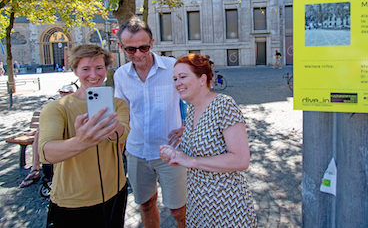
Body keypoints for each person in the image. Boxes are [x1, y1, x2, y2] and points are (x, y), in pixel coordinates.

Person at [160, 53, 257, 227]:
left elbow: (241, 159)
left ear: (202, 79)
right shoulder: (191, 111)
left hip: (226, 206)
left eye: (182, 77)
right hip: (199, 206)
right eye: (175, 78)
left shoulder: (223, 105)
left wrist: (190, 160)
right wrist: (174, 154)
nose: (177, 83)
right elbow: (196, 154)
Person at [38, 44, 130, 227]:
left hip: (114, 192)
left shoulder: (118, 104)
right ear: (75, 71)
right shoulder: (57, 108)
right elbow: (46, 153)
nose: (94, 75)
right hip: (72, 201)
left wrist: (111, 128)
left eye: (99, 68)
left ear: (106, 69)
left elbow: (122, 137)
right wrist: (81, 141)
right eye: (86, 69)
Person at [113, 17, 187, 228]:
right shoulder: (120, 76)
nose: (138, 54)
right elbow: (122, 113)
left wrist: (187, 126)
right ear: (121, 47)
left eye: (143, 47)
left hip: (171, 151)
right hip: (137, 152)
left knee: (179, 210)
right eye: (130, 49)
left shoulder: (173, 67)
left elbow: (197, 97)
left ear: (152, 44)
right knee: (146, 205)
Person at [19, 84, 75, 188]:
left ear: (72, 93)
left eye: (66, 92)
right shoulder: (55, 106)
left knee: (39, 135)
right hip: (54, 136)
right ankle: (36, 168)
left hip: (67, 135)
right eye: (62, 92)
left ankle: (36, 168)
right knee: (39, 135)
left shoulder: (75, 105)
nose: (63, 94)